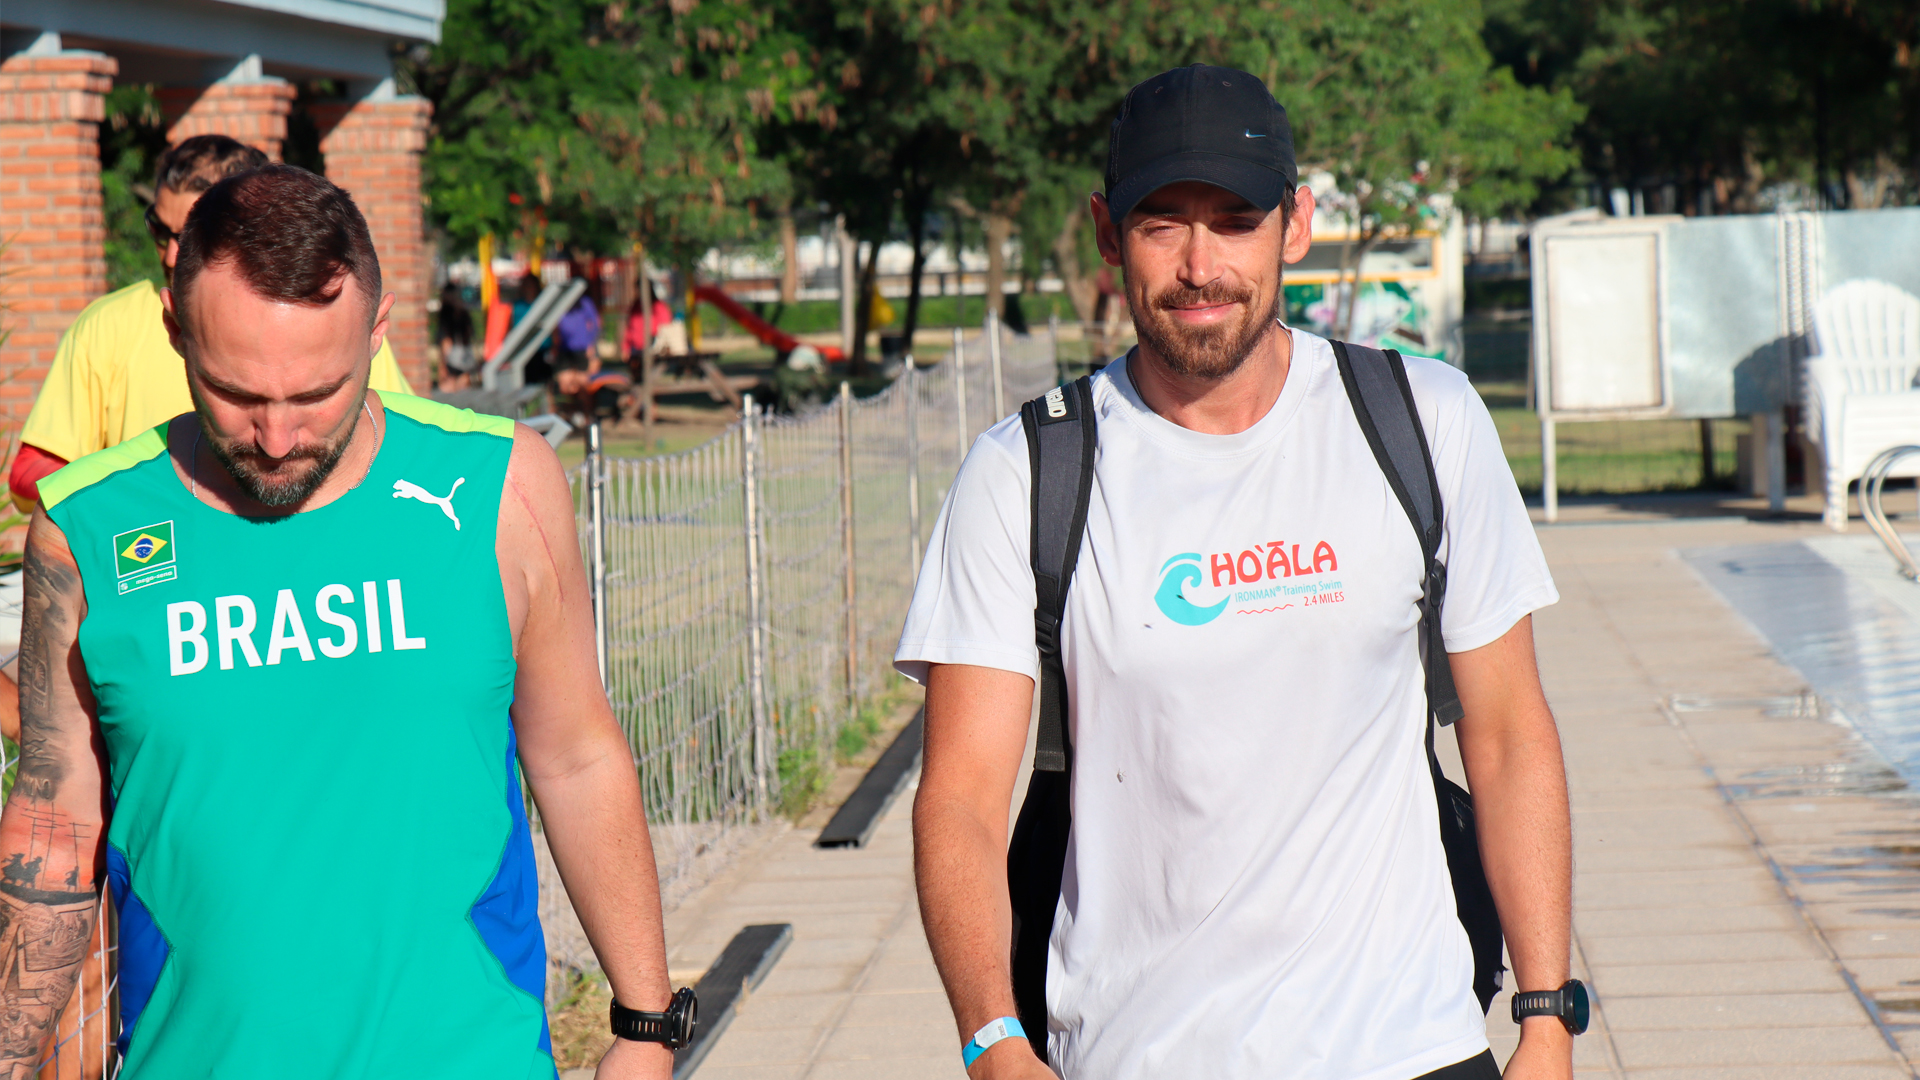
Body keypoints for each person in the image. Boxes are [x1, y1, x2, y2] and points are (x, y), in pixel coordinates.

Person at [902, 65, 1575, 1080]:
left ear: (1295, 225)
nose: (1199, 265)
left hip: (1410, 1046)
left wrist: (1546, 1018)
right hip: (1138, 1054)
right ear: (1106, 233)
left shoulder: (1423, 420)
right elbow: (959, 796)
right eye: (1162, 223)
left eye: (1234, 220)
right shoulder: (1025, 473)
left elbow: (1509, 729)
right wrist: (993, 1040)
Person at [0, 165, 680, 1079]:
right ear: (174, 331)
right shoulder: (85, 530)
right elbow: (52, 822)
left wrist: (645, 1026)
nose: (278, 438)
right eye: (237, 393)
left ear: (378, 330)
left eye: (318, 392)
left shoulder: (498, 490)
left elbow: (576, 755)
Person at [8, 135, 412, 512]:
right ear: (175, 329)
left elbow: (397, 447)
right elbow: (30, 472)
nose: (171, 255)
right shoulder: (107, 326)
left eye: (191, 233)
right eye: (160, 231)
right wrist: (127, 500)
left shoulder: (335, 322)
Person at [437, 283, 478, 390]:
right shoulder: (463, 312)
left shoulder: (446, 313)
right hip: (466, 356)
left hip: (453, 358)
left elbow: (446, 341)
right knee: (464, 389)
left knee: (447, 389)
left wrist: (442, 365)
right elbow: (470, 335)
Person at [553, 289, 602, 374]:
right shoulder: (561, 302)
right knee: (564, 377)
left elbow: (595, 323)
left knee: (582, 376)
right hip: (564, 346)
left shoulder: (585, 302)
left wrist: (591, 343)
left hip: (582, 346)